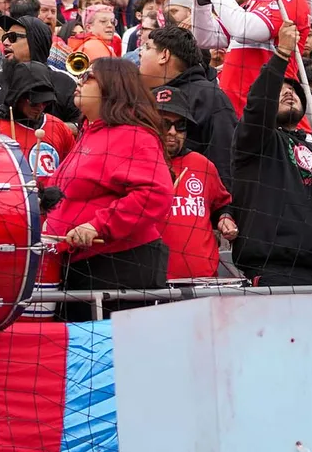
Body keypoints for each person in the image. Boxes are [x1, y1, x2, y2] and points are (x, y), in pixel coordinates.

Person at [229, 20, 312, 285]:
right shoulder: (256, 141)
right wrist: (281, 55)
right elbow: (258, 106)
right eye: (280, 90)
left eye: (293, 91)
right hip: (272, 273)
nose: (288, 93)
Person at [43, 57, 172, 321]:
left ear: (112, 85)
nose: (80, 82)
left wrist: (97, 226)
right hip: (83, 266)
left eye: (89, 76)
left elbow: (154, 193)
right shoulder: (90, 132)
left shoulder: (134, 135)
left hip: (119, 267)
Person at [192, 0, 312, 113]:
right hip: (236, 110)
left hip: (264, 113)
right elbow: (205, 37)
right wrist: (202, 0)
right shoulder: (255, 2)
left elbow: (244, 28)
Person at [137, 26, 237, 185]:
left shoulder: (210, 97)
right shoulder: (142, 96)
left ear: (164, 55)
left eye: (147, 47)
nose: (140, 53)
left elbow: (225, 161)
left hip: (195, 201)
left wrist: (224, 207)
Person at [156, 87, 235, 280]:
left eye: (180, 125)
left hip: (203, 282)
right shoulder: (136, 163)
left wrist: (225, 218)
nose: (173, 132)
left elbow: (222, 204)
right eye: (164, 124)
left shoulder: (202, 164)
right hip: (152, 285)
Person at [0, 59, 76, 177]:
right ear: (18, 98)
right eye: (34, 103)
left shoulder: (58, 127)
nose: (40, 108)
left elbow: (72, 171)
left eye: (45, 102)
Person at [0, 14, 79, 121]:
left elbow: (80, 127)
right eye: (5, 37)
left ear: (35, 42)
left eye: (13, 37)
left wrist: (45, 126)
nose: (5, 43)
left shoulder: (65, 83)